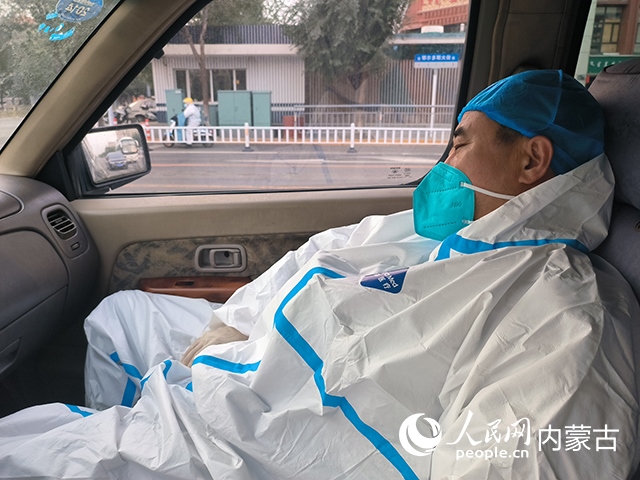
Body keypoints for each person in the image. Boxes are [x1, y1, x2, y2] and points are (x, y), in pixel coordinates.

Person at [0, 70, 638, 479]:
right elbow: (316, 261)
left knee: (19, 450)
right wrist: (230, 328)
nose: (444, 163)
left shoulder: (566, 316)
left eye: (461, 143)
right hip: (253, 383)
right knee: (121, 316)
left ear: (532, 161)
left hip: (260, 447)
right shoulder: (446, 237)